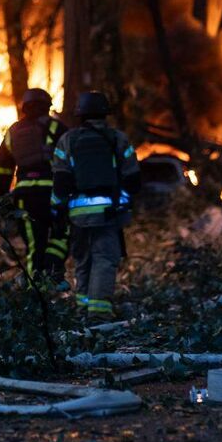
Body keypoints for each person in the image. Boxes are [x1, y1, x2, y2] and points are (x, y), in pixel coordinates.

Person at [50, 92, 140, 322]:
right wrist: (124, 202)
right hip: (108, 212)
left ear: (80, 115)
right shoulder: (117, 139)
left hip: (77, 214)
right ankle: (98, 313)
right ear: (104, 114)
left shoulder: (67, 140)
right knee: (104, 258)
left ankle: (83, 308)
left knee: (82, 260)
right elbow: (132, 177)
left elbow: (60, 180)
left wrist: (57, 211)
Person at [0, 88, 69, 284]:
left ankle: (35, 295)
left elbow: (2, 168)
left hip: (25, 196)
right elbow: (71, 161)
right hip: (54, 194)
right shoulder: (58, 128)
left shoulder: (13, 131)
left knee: (34, 245)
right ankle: (52, 267)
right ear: (47, 106)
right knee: (63, 232)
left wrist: (2, 198)